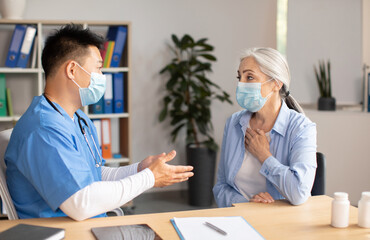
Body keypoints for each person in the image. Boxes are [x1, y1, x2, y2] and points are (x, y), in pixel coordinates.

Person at [5, 24, 194, 221]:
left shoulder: (79, 119)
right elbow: (81, 203)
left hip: (90, 225)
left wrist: (140, 169)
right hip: (63, 232)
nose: (101, 77)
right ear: (72, 70)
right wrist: (149, 178)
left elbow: (95, 174)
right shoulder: (43, 129)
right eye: (98, 68)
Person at [213, 47, 317, 207]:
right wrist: (249, 204)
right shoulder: (234, 123)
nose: (241, 84)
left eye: (249, 77)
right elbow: (221, 187)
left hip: (281, 223)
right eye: (239, 77)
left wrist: (264, 155)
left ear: (276, 83)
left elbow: (299, 193)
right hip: (238, 218)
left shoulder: (302, 128)